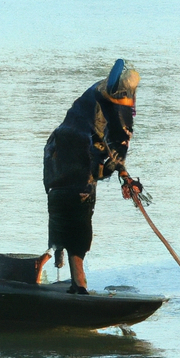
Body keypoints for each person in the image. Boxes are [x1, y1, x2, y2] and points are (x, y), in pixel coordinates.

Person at [43, 59, 144, 293]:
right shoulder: (113, 99)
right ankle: (79, 284)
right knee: (77, 214)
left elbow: (113, 142)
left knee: (68, 211)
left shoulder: (99, 95)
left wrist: (122, 172)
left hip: (59, 158)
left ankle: (74, 277)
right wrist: (123, 174)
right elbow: (117, 141)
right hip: (73, 161)